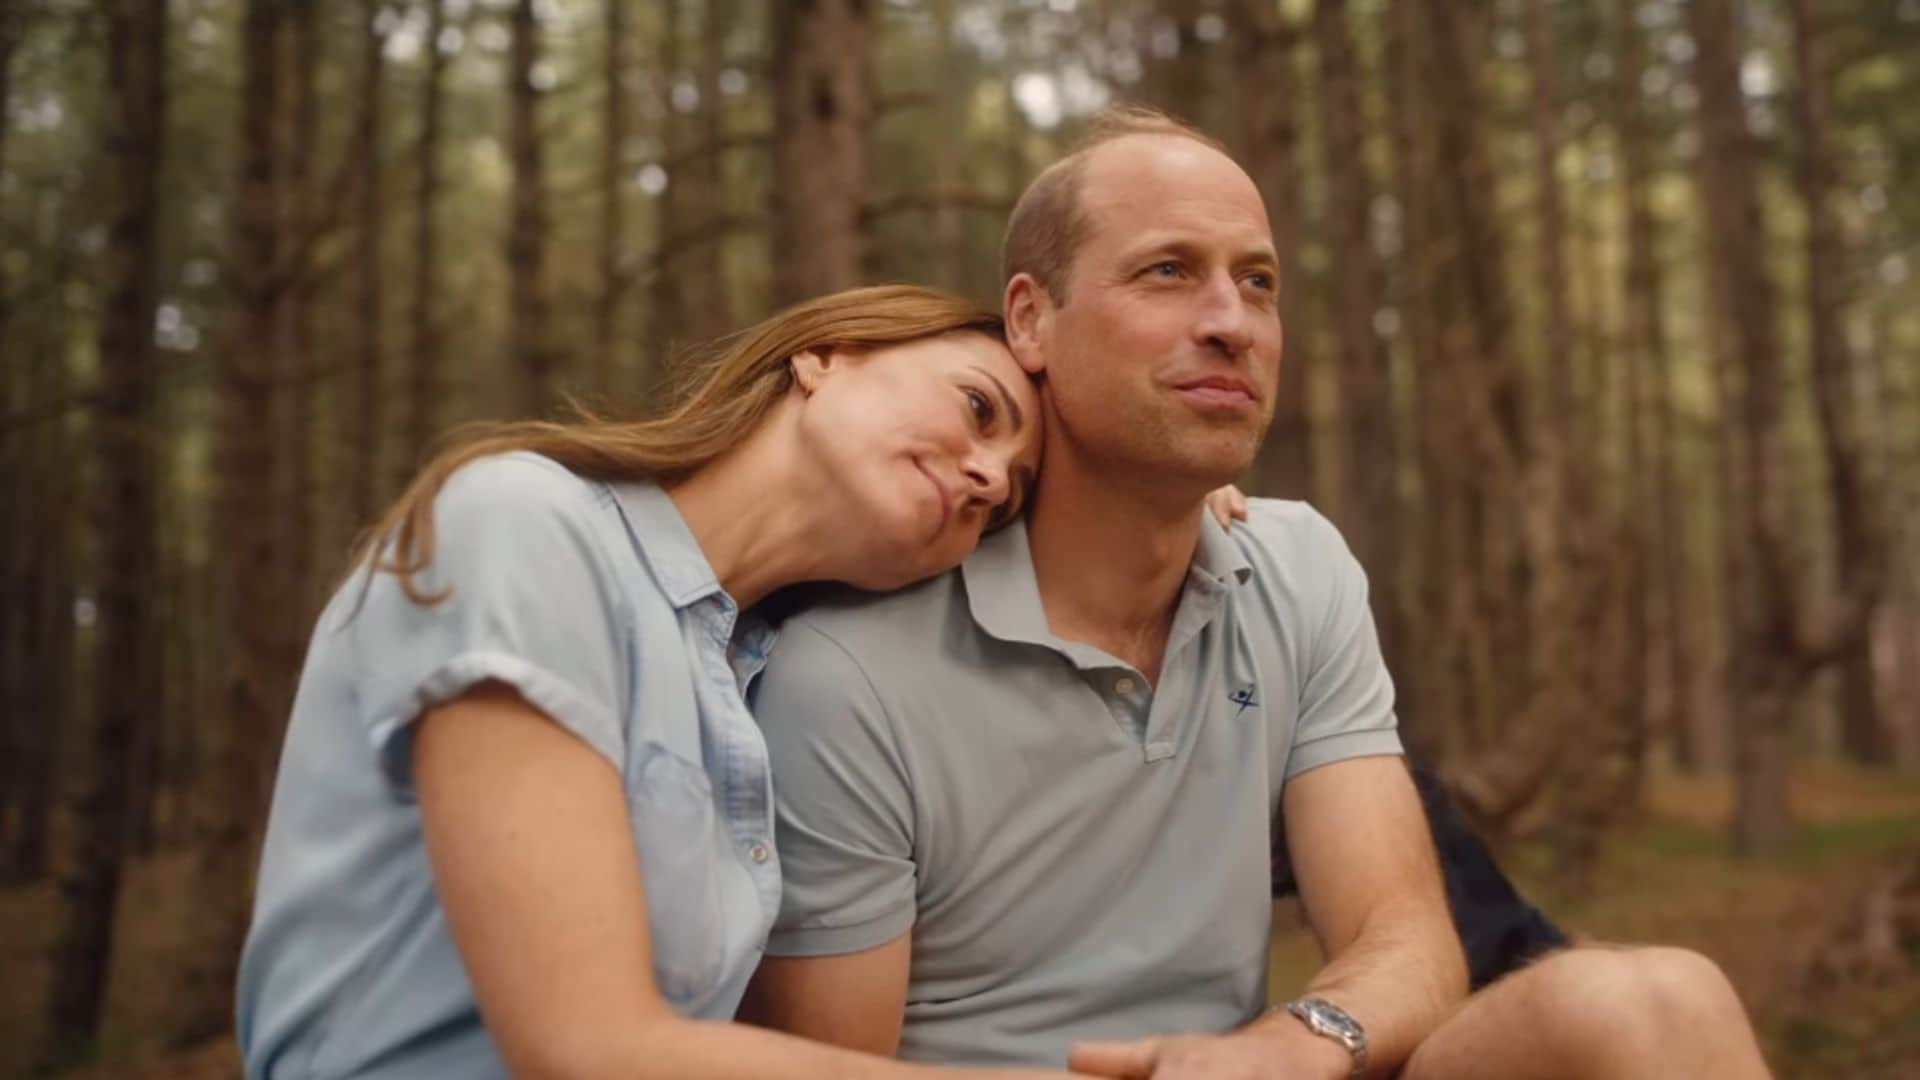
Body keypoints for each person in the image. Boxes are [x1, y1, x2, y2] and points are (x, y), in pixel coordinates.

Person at [741, 110, 1775, 1079]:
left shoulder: (1297, 568)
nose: (1233, 323)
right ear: (1031, 319)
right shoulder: (849, 667)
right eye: (1168, 273)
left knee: (1660, 1001)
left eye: (1261, 282)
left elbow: (1407, 941)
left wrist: (1287, 1046)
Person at [236, 285, 1101, 1079]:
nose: (990, 479)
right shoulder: (525, 526)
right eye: (979, 407)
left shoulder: (766, 688)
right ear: (825, 354)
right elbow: (586, 1050)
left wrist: (1187, 515)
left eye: (1010, 502)